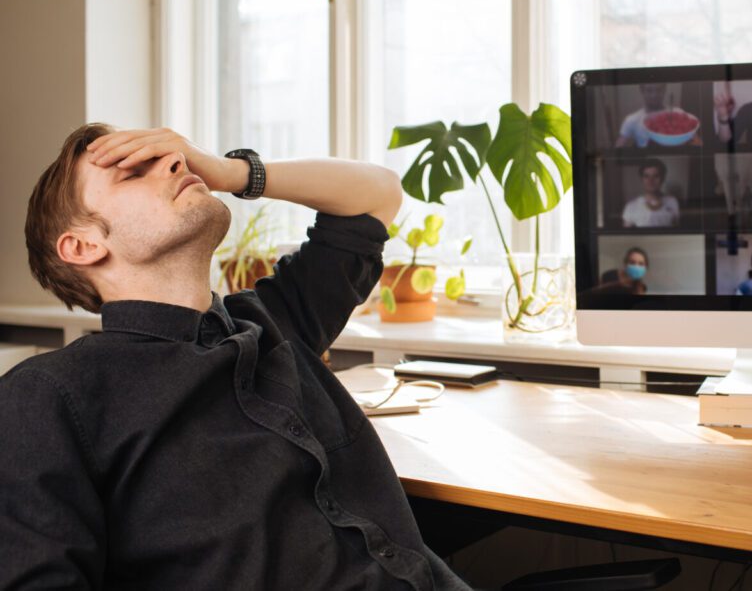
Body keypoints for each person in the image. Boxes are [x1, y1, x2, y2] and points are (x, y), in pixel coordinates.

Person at [1, 124, 472, 589]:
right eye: (133, 173)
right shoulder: (48, 397)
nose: (175, 161)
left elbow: (378, 195)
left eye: (168, 157)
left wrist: (233, 172)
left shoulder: (275, 321)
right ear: (82, 246)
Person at [622, 158, 680, 228]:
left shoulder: (672, 201)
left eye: (656, 176)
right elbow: (628, 237)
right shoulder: (631, 206)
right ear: (641, 179)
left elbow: (675, 230)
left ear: (662, 178)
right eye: (646, 176)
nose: (651, 180)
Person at [615, 83, 668, 148]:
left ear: (664, 90)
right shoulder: (632, 119)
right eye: (649, 90)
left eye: (659, 90)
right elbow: (619, 146)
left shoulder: (677, 114)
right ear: (642, 91)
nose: (654, 95)